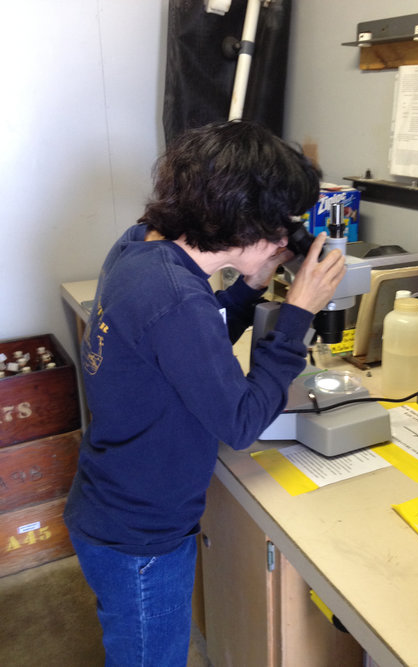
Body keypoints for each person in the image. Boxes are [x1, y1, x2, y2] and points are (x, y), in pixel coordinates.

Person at [64, 119, 346, 666]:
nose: (285, 237)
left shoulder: (143, 248)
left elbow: (188, 342)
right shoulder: (175, 297)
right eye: (277, 224)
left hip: (110, 502)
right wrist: (297, 315)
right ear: (241, 222)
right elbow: (240, 424)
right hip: (141, 537)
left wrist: (253, 285)